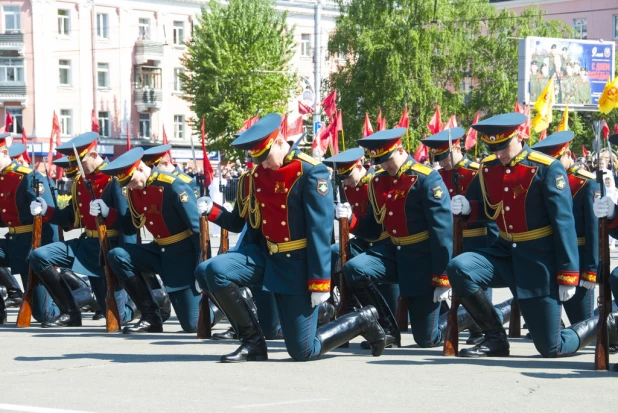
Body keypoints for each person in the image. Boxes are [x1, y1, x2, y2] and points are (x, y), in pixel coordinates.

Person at [197, 114, 385, 362]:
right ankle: (252, 342)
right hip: (265, 256)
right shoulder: (257, 176)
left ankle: (363, 320)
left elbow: (319, 232)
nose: (262, 165)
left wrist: (320, 282)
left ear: (277, 142)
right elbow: (241, 222)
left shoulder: (311, 172)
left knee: (302, 351)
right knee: (213, 270)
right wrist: (212, 210)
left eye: (265, 157)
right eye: (257, 160)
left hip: (297, 264)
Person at [448, 113, 617, 358]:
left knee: (551, 347)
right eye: (494, 148)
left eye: (504, 146)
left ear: (518, 136)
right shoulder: (488, 168)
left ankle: (603, 324)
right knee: (459, 267)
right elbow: (492, 208)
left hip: (539, 261)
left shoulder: (546, 168)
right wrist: (469, 208)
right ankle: (494, 337)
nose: (500, 153)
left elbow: (563, 223)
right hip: (504, 252)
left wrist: (569, 274)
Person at [342, 128, 459, 349]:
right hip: (392, 252)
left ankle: (466, 315)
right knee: (355, 268)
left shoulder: (426, 178)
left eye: (386, 159)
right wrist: (351, 219)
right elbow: (374, 229)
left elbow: (441, 232)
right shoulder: (378, 181)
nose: (384, 166)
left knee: (426, 338)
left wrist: (442, 277)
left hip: (421, 259)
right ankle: (387, 329)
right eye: (379, 161)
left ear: (400, 150)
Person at [28, 132, 137, 327]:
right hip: (87, 244)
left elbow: (128, 225)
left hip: (110, 247)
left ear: (94, 155)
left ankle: (154, 300)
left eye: (81, 161)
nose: (78, 167)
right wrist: (46, 210)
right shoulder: (80, 182)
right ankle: (69, 311)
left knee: (119, 318)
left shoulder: (115, 179)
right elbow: (72, 218)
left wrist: (126, 261)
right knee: (39, 256)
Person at [102, 147, 201, 334]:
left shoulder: (173, 185)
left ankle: (228, 303)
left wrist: (200, 266)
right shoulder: (135, 190)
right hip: (159, 250)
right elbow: (131, 226)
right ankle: (150, 316)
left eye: (131, 182)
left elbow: (198, 230)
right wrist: (108, 213)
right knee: (118, 255)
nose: (131, 187)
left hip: (182, 256)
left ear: (139, 169)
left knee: (192, 324)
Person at [423, 127, 507, 345]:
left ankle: (483, 329)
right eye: (437, 158)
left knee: (478, 286)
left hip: (475, 236)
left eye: (444, 157)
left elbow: (490, 210)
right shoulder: (436, 175)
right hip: (447, 237)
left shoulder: (476, 171)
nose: (441, 162)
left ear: (456, 148)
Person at [322, 148, 400, 348]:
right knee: (332, 253)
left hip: (384, 242)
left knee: (354, 266)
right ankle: (344, 310)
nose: (346, 182)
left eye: (348, 176)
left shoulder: (376, 183)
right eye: (342, 178)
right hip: (364, 241)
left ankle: (385, 327)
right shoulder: (346, 187)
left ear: (359, 166)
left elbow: (375, 228)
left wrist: (351, 219)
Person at [532, 131, 599, 327]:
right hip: (549, 255)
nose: (552, 164)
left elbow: (593, 230)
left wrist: (591, 270)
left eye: (556, 159)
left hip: (578, 257)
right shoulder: (542, 180)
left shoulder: (586, 182)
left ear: (568, 154)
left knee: (582, 323)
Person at [0, 134, 60, 324]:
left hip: (32, 247)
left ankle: (78, 298)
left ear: (3, 152)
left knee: (44, 315)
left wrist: (51, 254)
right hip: (13, 242)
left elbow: (51, 218)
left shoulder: (28, 177)